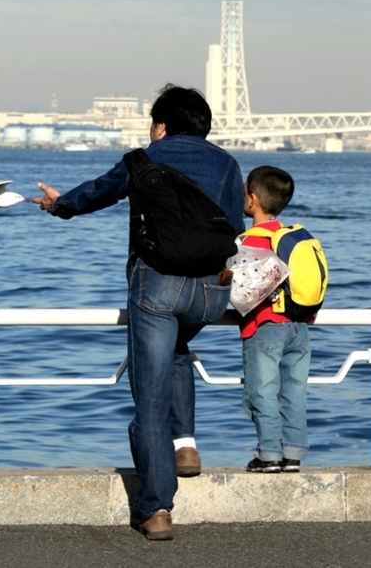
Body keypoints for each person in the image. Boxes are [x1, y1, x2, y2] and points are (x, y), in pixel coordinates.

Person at [33, 84, 245, 540]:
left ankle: (157, 509)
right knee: (177, 350)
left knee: (149, 402)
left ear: (162, 125)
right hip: (211, 294)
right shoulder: (227, 164)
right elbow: (234, 228)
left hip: (157, 287)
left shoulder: (142, 159)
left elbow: (97, 193)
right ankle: (185, 446)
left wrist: (58, 204)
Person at [238, 166, 319, 473]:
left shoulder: (251, 240)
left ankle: (269, 454)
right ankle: (293, 453)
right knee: (295, 391)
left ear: (252, 199)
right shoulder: (291, 236)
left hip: (265, 328)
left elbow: (244, 292)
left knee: (262, 392)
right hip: (299, 327)